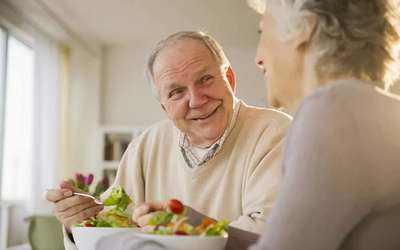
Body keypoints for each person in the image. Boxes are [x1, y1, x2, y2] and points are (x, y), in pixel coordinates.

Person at [46, 31, 291, 250]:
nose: (196, 100)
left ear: (229, 78)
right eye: (176, 92)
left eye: (205, 79)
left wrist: (184, 229)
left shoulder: (276, 132)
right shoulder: (144, 145)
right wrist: (81, 222)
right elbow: (116, 230)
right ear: (164, 108)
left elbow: (272, 235)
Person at [246, 0, 400, 249]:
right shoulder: (378, 110)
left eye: (262, 31)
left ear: (305, 28)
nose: (258, 58)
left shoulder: (334, 110)